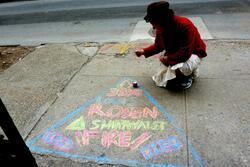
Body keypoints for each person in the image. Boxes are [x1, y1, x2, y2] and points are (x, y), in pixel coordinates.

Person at [135, 1, 207, 90]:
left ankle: (188, 76)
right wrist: (144, 51)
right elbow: (158, 46)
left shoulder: (185, 25)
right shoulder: (160, 27)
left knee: (179, 68)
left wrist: (168, 60)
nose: (152, 25)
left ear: (162, 20)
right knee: (164, 77)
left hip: (194, 52)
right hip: (177, 51)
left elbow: (185, 52)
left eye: (153, 22)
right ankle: (186, 72)